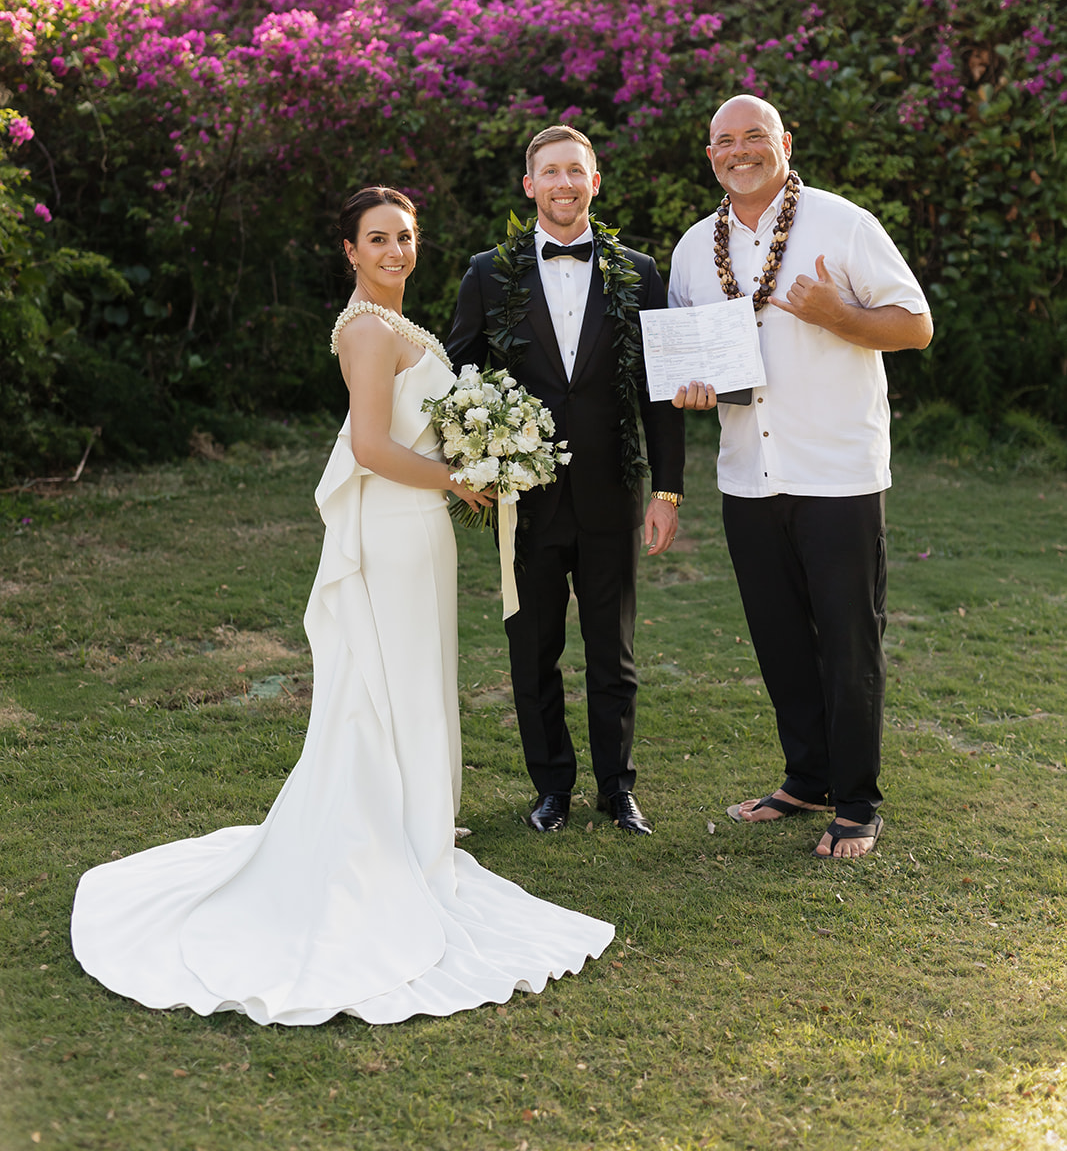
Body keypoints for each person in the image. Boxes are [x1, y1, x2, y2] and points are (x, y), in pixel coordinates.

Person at [70, 186, 614, 1025]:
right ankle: (388, 835)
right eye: (378, 239)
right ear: (350, 251)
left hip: (418, 527)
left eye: (406, 236)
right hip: (395, 527)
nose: (396, 250)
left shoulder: (397, 324)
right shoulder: (366, 330)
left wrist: (478, 450)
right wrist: (460, 477)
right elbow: (367, 447)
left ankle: (410, 821)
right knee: (391, 681)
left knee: (410, 678)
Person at [669, 96, 932, 860]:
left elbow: (914, 325)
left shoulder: (842, 224)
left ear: (783, 142)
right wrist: (689, 386)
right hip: (747, 474)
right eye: (725, 140)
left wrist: (837, 315)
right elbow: (688, 355)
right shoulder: (694, 248)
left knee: (848, 641)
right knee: (780, 639)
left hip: (836, 471)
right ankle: (806, 779)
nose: (740, 150)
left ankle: (856, 803)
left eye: (755, 136)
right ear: (710, 155)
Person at [447, 127, 685, 837]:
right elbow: (455, 377)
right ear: (529, 186)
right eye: (549, 172)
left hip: (613, 493)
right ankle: (551, 787)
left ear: (594, 181)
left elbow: (661, 392)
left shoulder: (638, 271)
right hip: (526, 501)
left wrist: (667, 491)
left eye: (575, 171)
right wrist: (470, 461)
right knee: (533, 653)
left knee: (614, 653)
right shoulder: (488, 273)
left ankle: (617, 789)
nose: (563, 183)